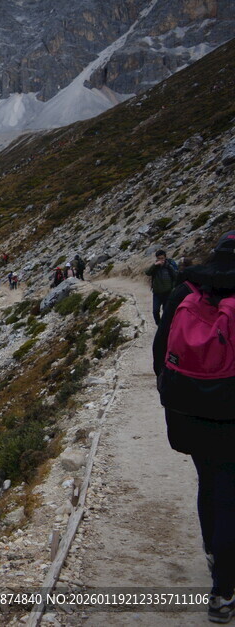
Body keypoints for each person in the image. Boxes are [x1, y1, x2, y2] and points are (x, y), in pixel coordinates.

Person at [153, 230, 235, 623]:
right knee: (231, 489)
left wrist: (171, 397)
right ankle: (223, 588)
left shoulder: (188, 286)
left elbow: (160, 350)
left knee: (210, 481)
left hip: (192, 409)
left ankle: (215, 555)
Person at [146, 249, 178, 325]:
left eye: (162, 258)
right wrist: (155, 265)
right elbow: (147, 272)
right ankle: (159, 324)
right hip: (157, 293)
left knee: (166, 311)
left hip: (168, 293)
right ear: (156, 258)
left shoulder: (169, 266)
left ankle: (165, 326)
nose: (161, 260)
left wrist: (173, 288)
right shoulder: (155, 267)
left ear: (165, 257)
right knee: (155, 311)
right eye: (159, 258)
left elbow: (176, 276)